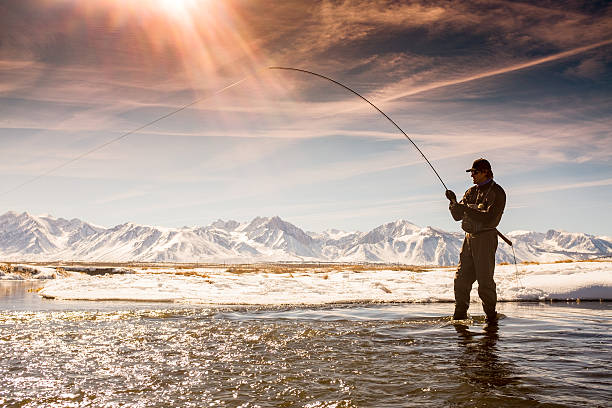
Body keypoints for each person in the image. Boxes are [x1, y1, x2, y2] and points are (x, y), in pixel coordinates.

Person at [445, 158, 506, 324]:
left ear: (485, 172)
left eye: (475, 172)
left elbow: (489, 218)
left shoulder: (497, 193)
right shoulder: (470, 192)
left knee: (485, 282)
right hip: (468, 239)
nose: (471, 175)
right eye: (471, 172)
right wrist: (453, 203)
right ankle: (459, 317)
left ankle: (491, 318)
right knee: (461, 279)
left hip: (485, 239)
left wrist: (464, 208)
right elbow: (457, 216)